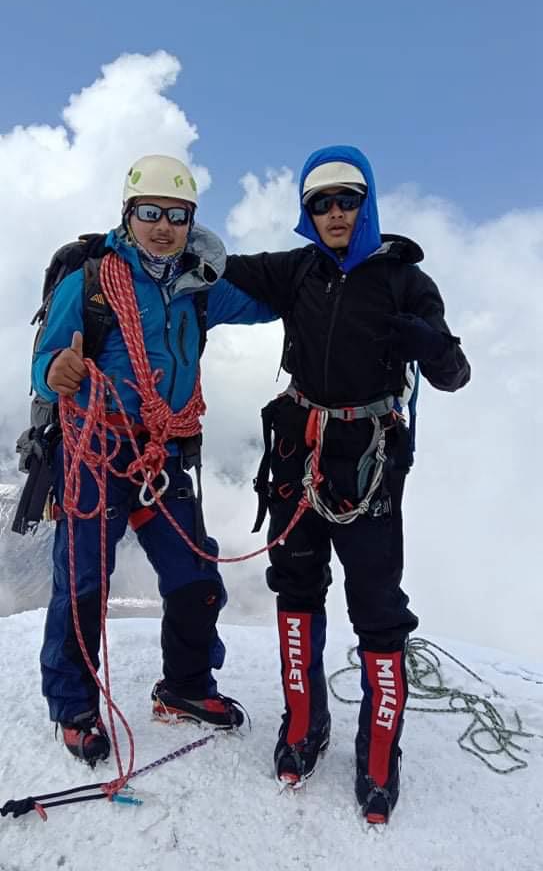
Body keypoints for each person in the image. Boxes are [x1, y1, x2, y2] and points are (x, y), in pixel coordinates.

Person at [223, 145, 470, 823]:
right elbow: (211, 261)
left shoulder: (404, 280)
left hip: (368, 471)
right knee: (296, 591)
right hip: (297, 460)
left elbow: (454, 375)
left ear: (367, 202)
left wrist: (434, 346)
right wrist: (107, 251)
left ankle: (378, 754)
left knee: (377, 611)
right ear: (307, 214)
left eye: (346, 199)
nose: (334, 213)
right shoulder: (295, 269)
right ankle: (304, 728)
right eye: (319, 203)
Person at [32, 154, 276, 765]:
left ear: (190, 222)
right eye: (150, 214)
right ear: (129, 214)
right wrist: (57, 371)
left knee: (197, 579)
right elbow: (44, 364)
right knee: (84, 584)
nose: (162, 227)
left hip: (161, 454)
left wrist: (337, 272)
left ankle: (185, 688)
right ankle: (74, 706)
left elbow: (269, 301)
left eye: (176, 216)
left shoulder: (197, 290)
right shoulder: (89, 283)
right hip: (96, 450)